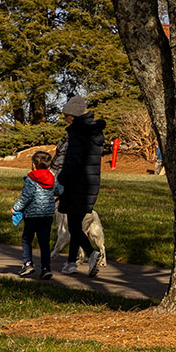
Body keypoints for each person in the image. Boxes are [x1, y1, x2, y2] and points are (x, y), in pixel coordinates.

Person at [53, 95, 107, 277]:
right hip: (90, 184)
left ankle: (91, 254)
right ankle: (70, 263)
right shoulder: (94, 133)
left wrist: (61, 181)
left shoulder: (77, 133)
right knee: (76, 223)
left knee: (74, 226)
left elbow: (73, 161)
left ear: (74, 115)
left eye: (67, 115)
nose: (65, 119)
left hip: (76, 184)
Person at [12, 151, 63, 279]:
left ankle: (28, 264)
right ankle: (46, 268)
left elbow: (26, 197)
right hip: (46, 215)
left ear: (34, 165)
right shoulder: (51, 177)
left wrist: (15, 208)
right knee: (44, 242)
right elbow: (59, 190)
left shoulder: (31, 178)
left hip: (32, 215)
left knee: (27, 239)